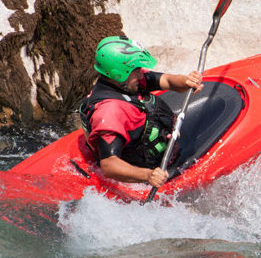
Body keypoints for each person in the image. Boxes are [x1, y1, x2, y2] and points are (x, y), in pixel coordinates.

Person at [78, 36, 202, 188]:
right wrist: (148, 176)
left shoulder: (125, 81)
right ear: (118, 73)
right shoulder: (110, 112)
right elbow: (109, 165)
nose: (141, 74)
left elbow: (168, 81)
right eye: (135, 70)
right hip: (145, 168)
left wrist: (186, 81)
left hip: (163, 143)